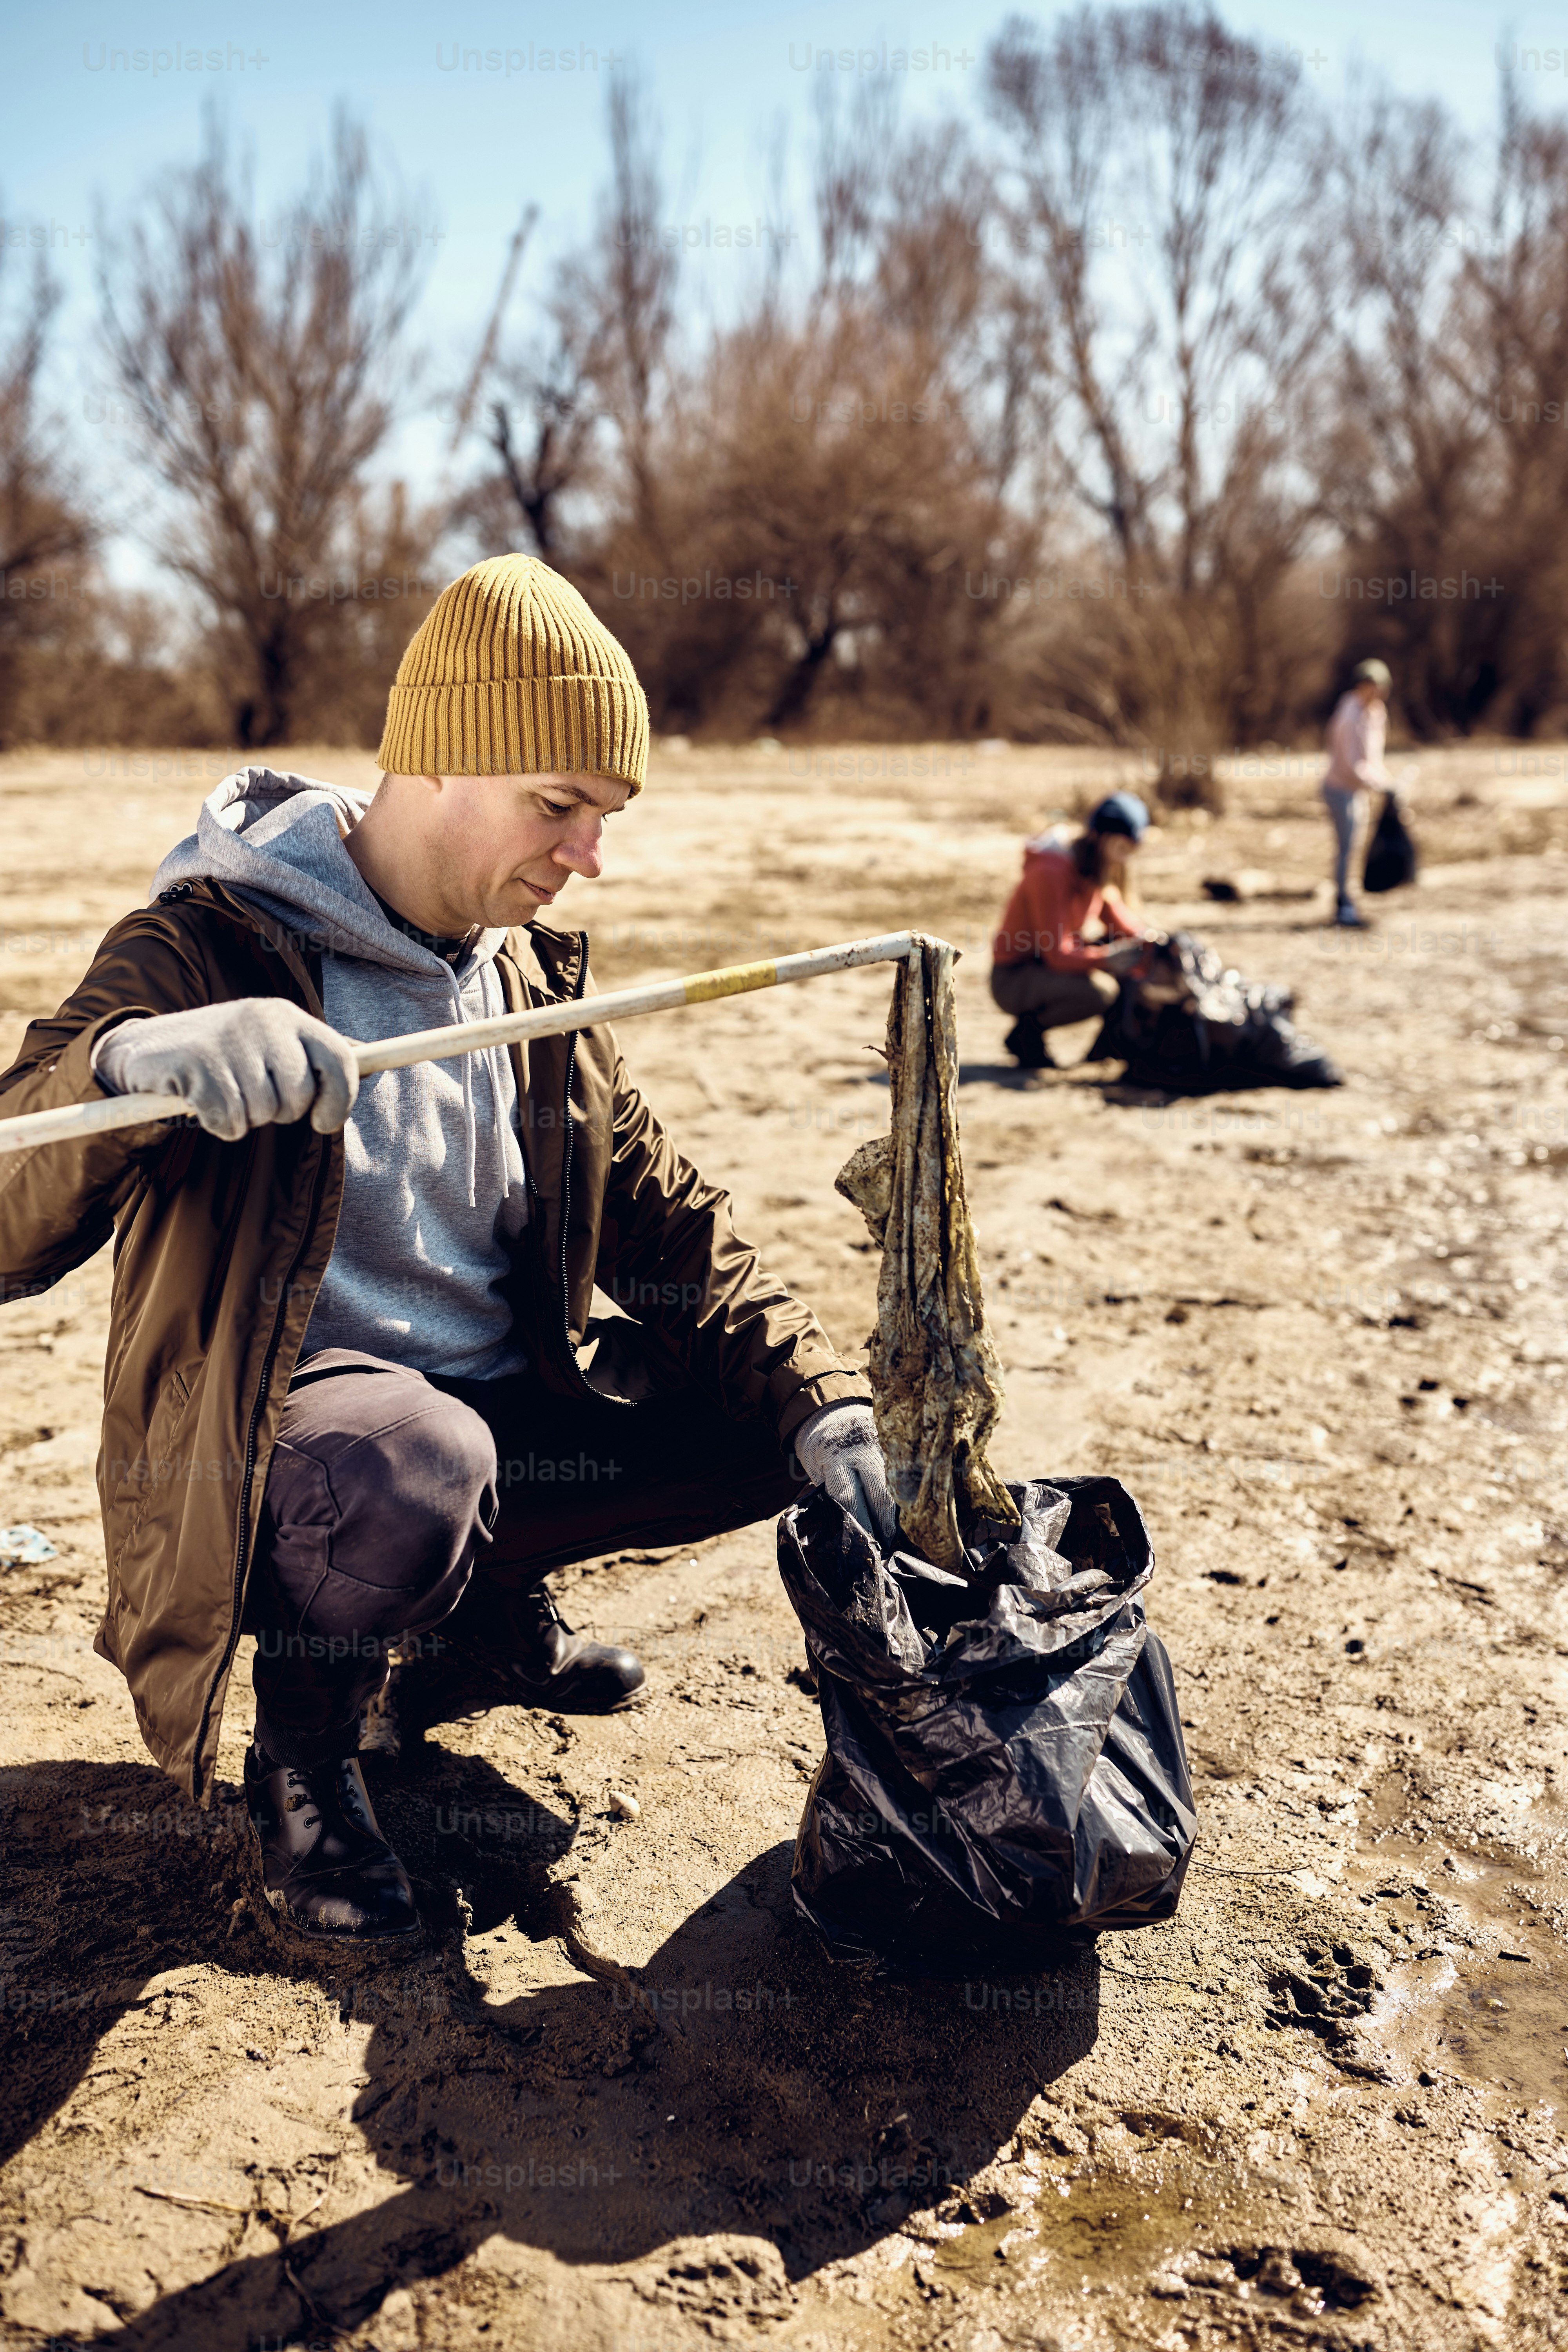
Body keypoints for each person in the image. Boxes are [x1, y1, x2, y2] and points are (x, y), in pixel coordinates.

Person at [0, 555, 896, 1949]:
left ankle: (469, 1628)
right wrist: (131, 1059)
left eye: (603, 815)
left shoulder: (523, 977)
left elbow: (677, 1222)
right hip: (290, 1464)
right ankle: (303, 1759)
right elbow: (10, 1192)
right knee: (416, 1465)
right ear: (435, 767)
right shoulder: (211, 944)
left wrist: (828, 1404)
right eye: (560, 805)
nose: (587, 852)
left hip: (493, 1436)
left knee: (764, 1415)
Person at [991, 792, 1154, 1069]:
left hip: (1046, 966)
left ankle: (1112, 1047)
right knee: (1102, 992)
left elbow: (1122, 923)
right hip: (1014, 976)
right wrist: (1106, 958)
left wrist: (1154, 943)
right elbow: (1058, 954)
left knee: (1132, 959)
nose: (1125, 861)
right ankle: (1027, 1035)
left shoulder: (1093, 869)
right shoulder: (1051, 873)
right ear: (1100, 837)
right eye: (1122, 849)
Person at [1321, 657, 1392, 928]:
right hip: (1340, 789)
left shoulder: (1377, 713)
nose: (1375, 692)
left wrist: (1386, 781)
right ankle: (1342, 905)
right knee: (1347, 849)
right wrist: (1381, 785)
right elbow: (1352, 766)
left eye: (1379, 687)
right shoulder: (1349, 716)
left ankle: (1350, 899)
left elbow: (1374, 757)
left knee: (1356, 847)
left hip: (1359, 790)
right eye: (1369, 686)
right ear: (1360, 686)